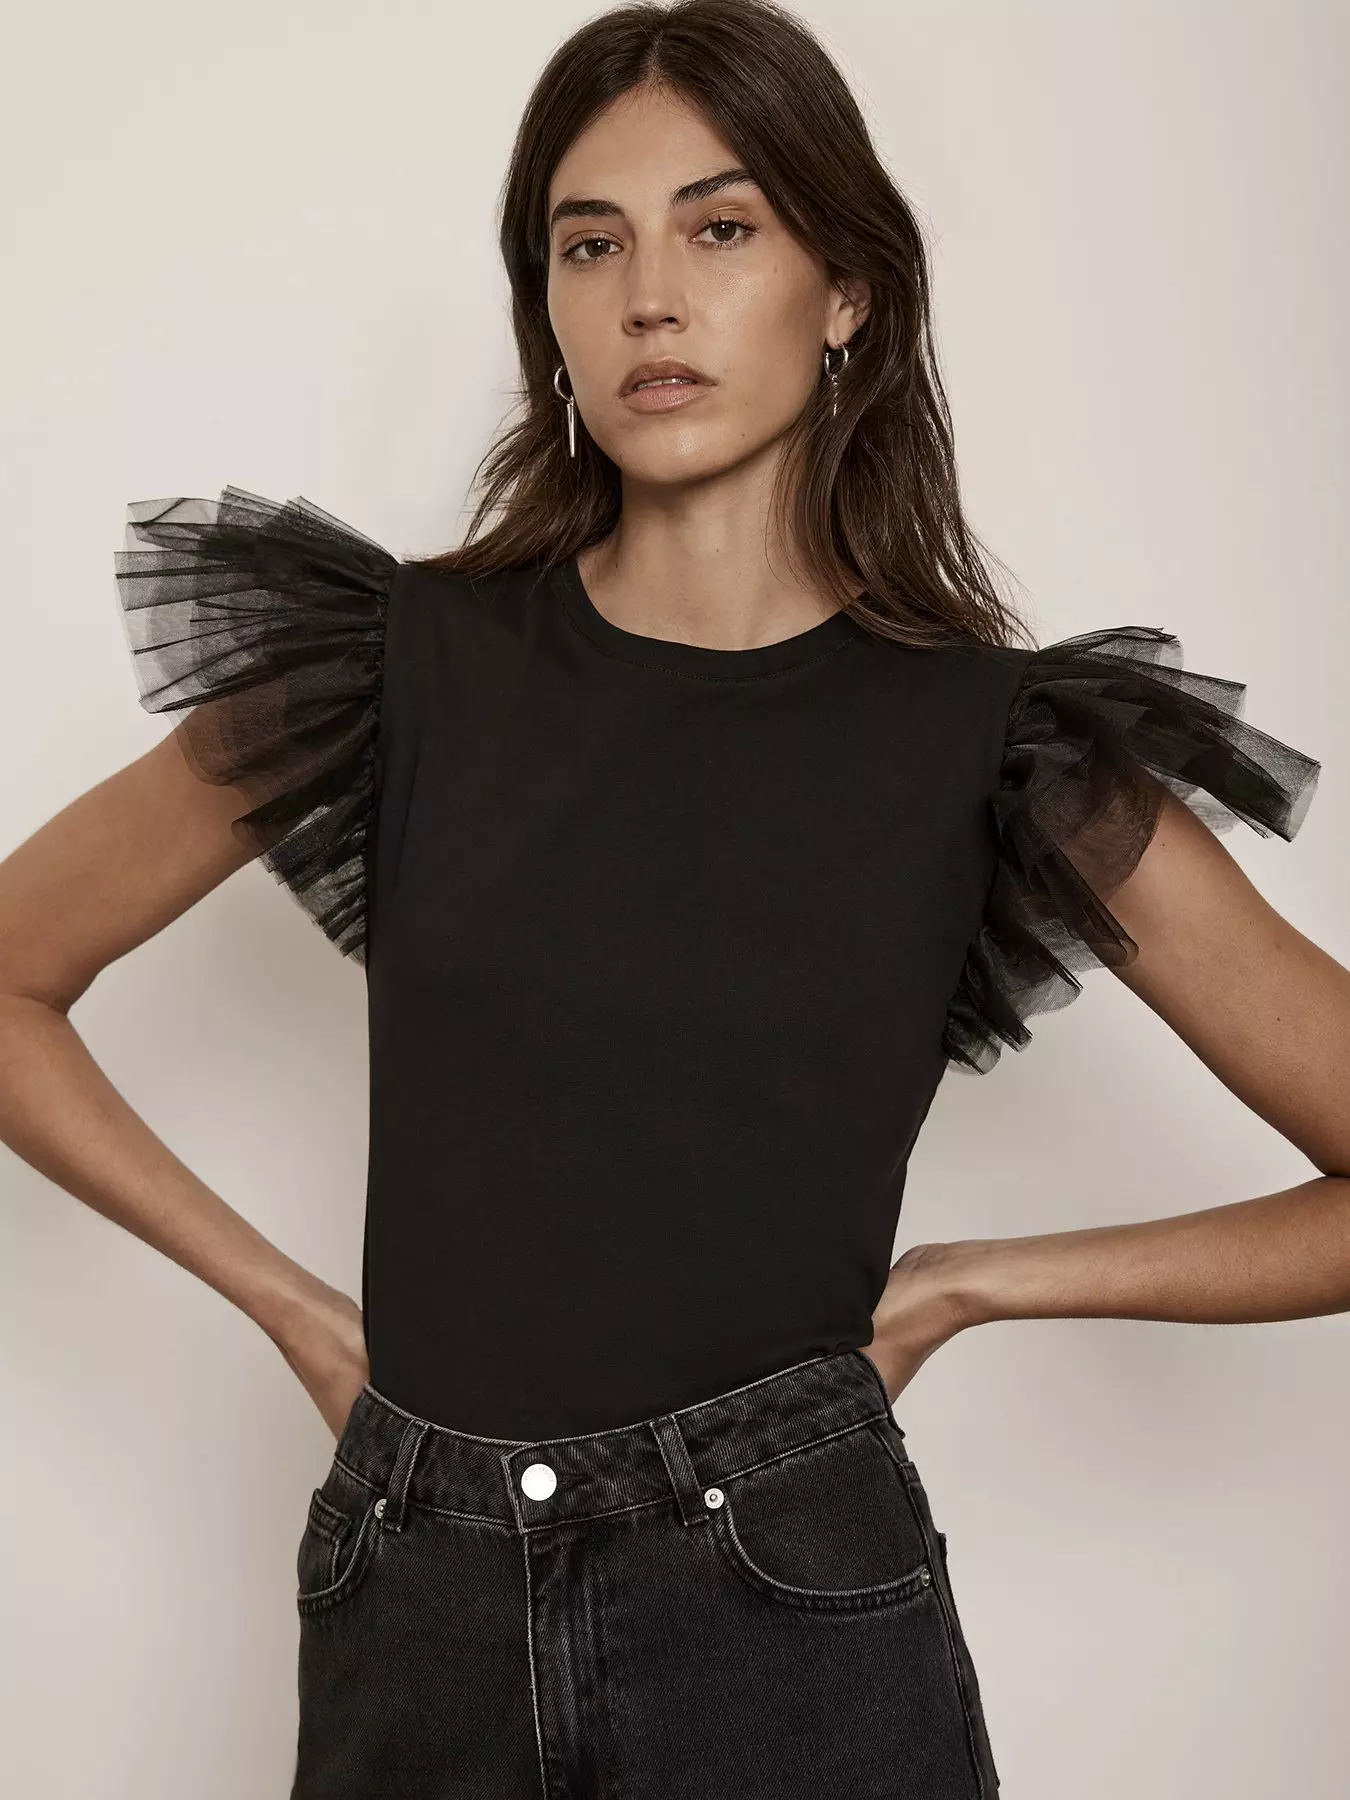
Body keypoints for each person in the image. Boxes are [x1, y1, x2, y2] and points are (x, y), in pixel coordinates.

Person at [2, 2, 1343, 1795]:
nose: (650, 297)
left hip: (788, 1600)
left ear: (844, 290)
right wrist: (299, 1313)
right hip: (419, 1595)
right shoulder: (396, 667)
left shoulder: (992, 746)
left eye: (720, 229)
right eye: (589, 244)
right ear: (546, 308)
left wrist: (974, 1282)